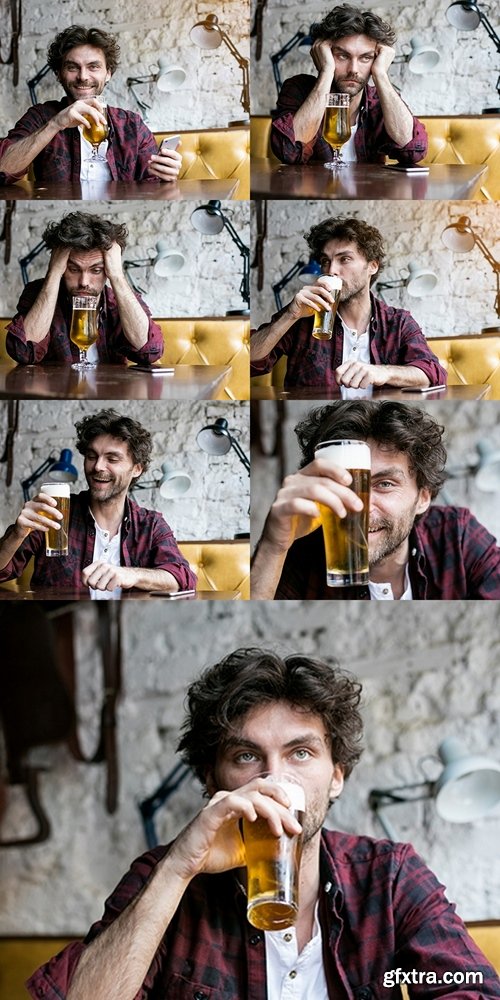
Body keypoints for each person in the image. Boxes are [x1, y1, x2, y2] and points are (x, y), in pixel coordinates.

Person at [26, 647, 500, 999]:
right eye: (247, 755)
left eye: (300, 753)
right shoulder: (165, 877)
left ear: (336, 777)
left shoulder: (389, 876)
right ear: (213, 781)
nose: (273, 778)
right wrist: (178, 869)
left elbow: (467, 987)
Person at [251, 401, 500, 600]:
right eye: (344, 484)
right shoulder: (300, 550)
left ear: (423, 497)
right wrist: (274, 546)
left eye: (385, 484)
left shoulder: (457, 535)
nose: (360, 507)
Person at [0, 409, 196, 596]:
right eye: (91, 456)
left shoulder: (151, 525)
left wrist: (131, 574)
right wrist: (16, 534)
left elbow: (183, 578)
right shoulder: (54, 514)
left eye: (112, 459)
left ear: (137, 469)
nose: (98, 466)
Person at [250, 218, 447, 390]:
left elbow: (433, 374)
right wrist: (289, 316)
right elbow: (250, 362)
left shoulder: (398, 322)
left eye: (344, 259)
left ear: (372, 266)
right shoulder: (303, 314)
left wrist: (383, 373)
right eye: (325, 261)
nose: (331, 270)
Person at [0, 25, 181, 185]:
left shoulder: (132, 124)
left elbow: (151, 184)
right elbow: (3, 169)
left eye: (93, 67)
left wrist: (166, 174)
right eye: (72, 67)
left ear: (108, 73)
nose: (83, 76)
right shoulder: (40, 116)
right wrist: (55, 124)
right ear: (58, 73)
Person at [271, 4, 428, 166]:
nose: (353, 70)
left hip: (368, 190)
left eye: (365, 58)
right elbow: (289, 152)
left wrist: (381, 74)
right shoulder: (298, 89)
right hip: (314, 191)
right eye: (342, 56)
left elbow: (413, 152)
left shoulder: (380, 101)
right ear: (325, 55)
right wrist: (326, 72)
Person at [6, 212, 164, 366]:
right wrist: (53, 273)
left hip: (109, 390)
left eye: (96, 270)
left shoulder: (117, 301)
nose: (84, 282)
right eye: (73, 269)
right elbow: (23, 352)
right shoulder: (38, 293)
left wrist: (117, 276)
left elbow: (149, 352)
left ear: (107, 270)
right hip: (57, 391)